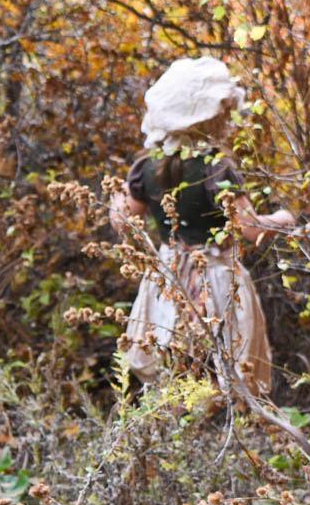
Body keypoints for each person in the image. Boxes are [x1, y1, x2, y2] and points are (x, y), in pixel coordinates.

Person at [109, 57, 297, 397]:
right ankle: (218, 432)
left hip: (167, 279)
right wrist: (284, 220)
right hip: (214, 279)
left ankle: (182, 431)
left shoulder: (146, 167)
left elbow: (123, 220)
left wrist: (116, 192)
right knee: (221, 369)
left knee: (176, 365)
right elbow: (250, 230)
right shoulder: (216, 169)